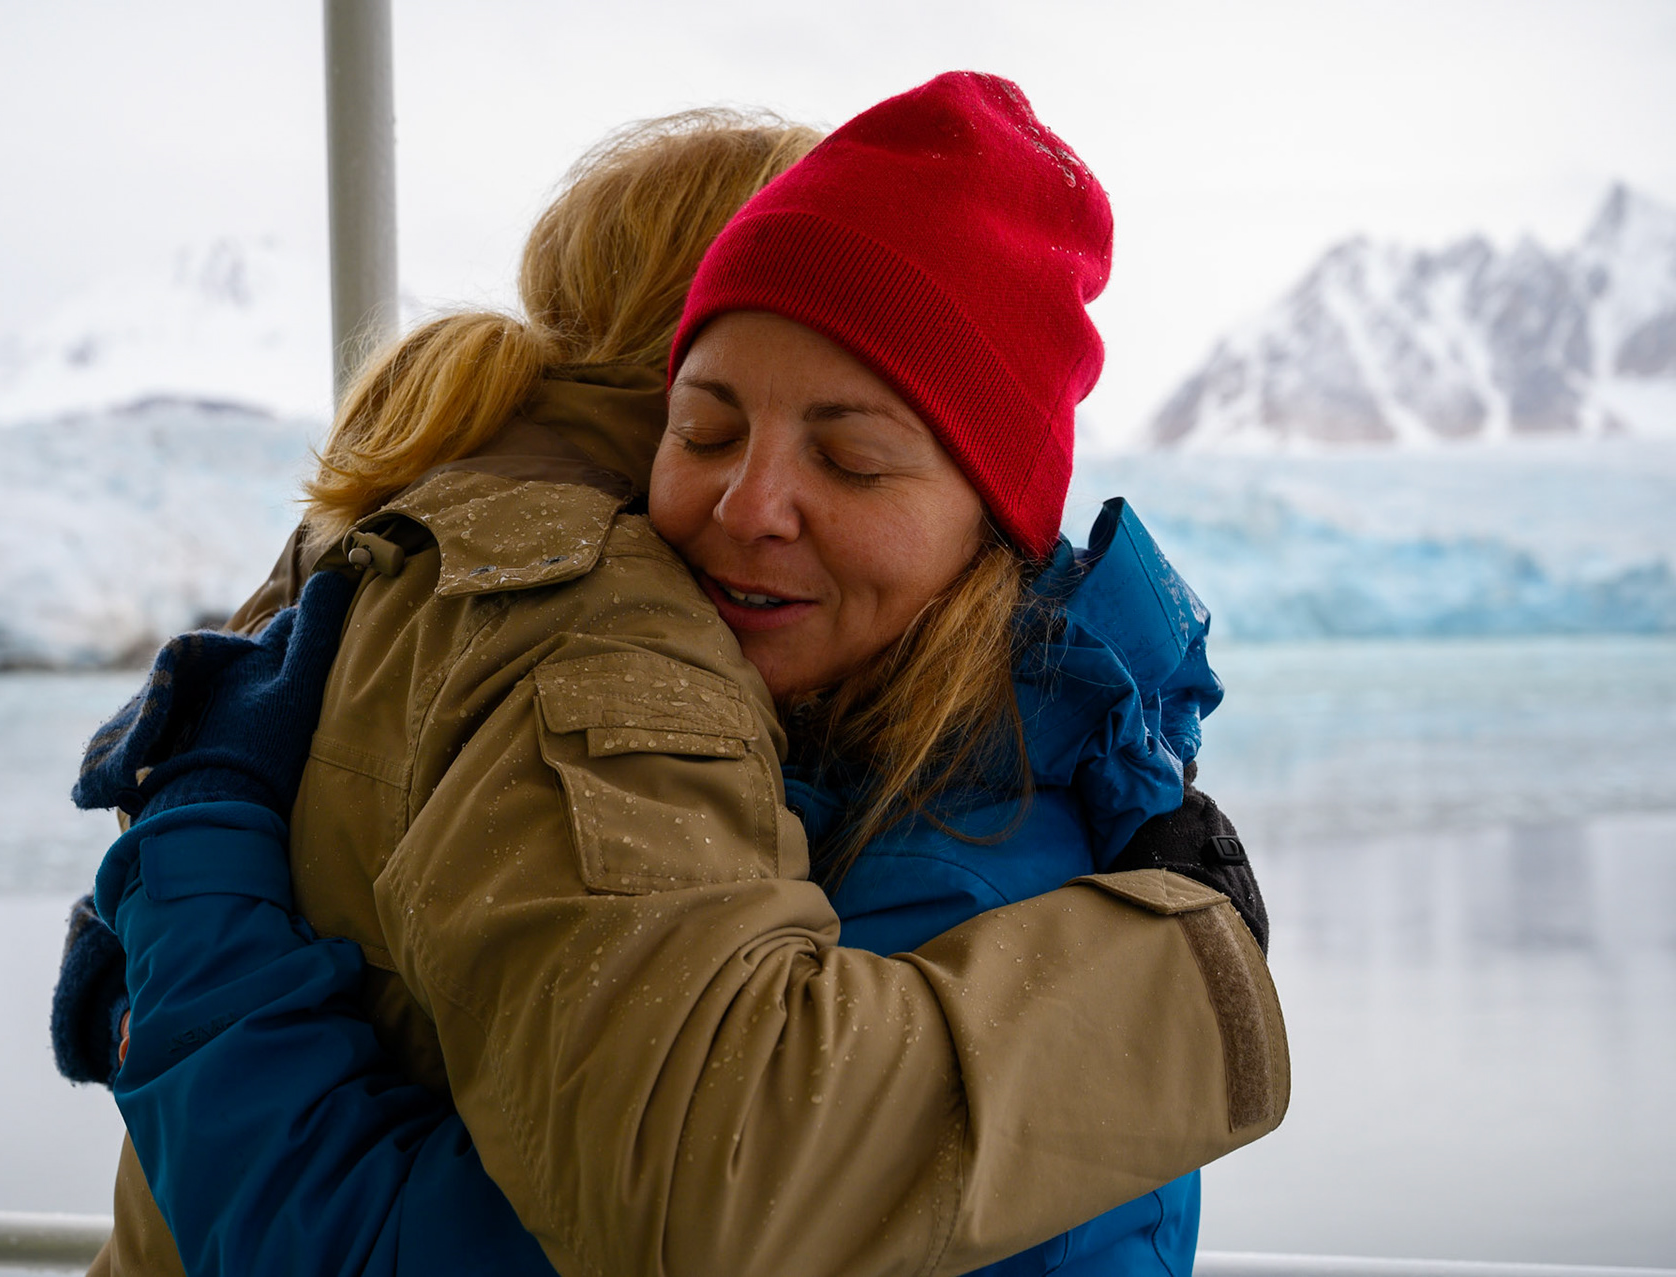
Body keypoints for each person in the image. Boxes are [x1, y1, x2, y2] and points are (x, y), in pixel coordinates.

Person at [64, 72, 1285, 1277]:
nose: (751, 502)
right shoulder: (628, 637)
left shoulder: (939, 807)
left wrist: (188, 886)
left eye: (853, 456)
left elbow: (690, 1189)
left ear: (993, 513)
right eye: (705, 428)